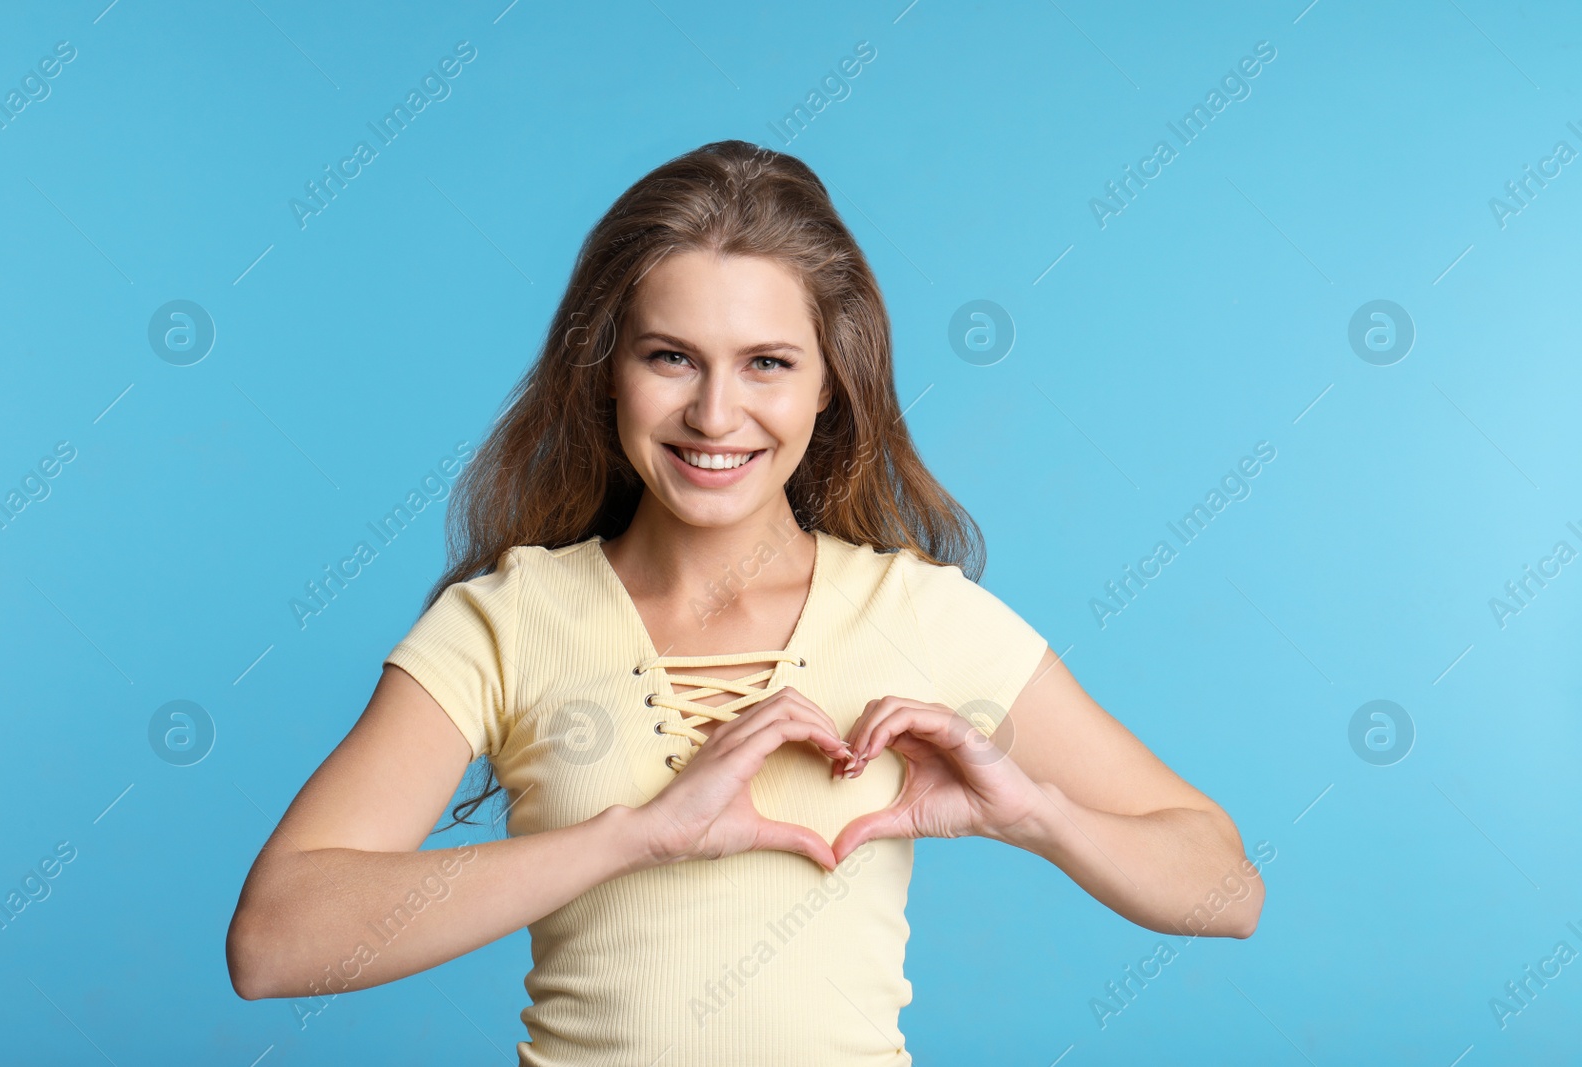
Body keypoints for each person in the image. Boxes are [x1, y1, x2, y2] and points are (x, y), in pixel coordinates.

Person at [225, 139, 1263, 1064]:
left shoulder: (921, 614)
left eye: (766, 363)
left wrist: (1038, 812)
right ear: (608, 372)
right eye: (669, 356)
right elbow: (275, 940)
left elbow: (1225, 888)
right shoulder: (507, 621)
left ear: (827, 382)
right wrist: (636, 834)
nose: (714, 413)